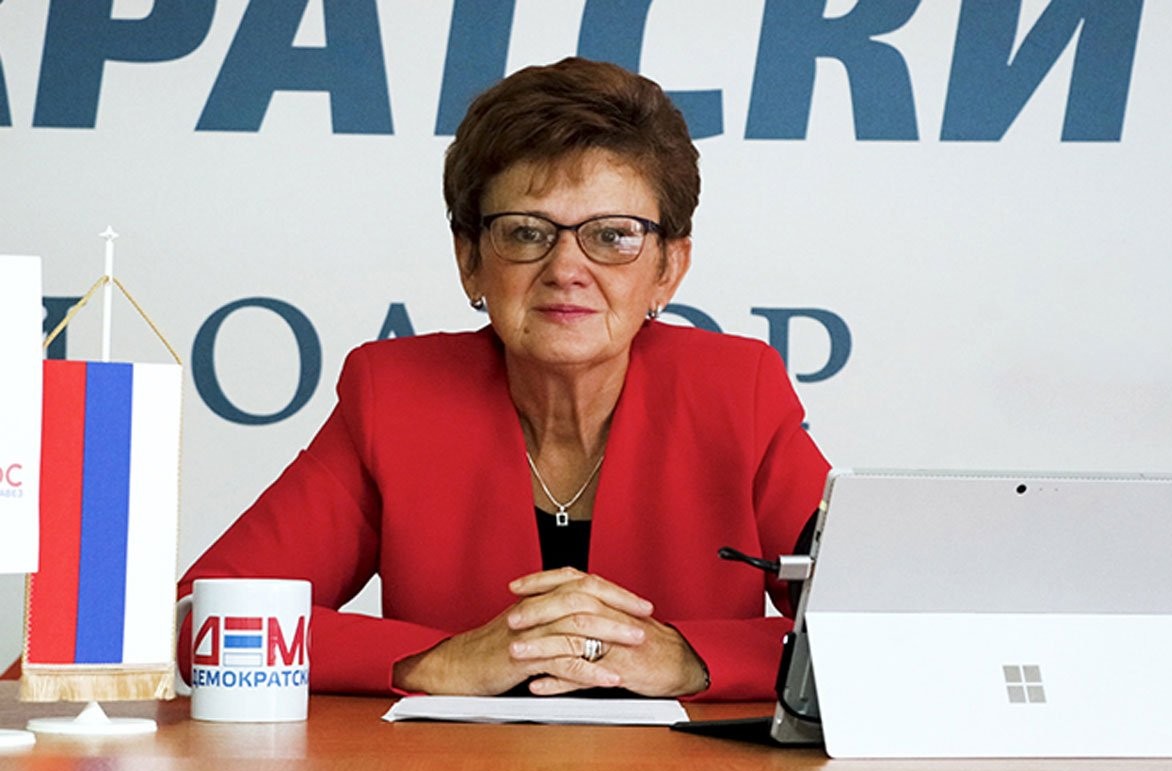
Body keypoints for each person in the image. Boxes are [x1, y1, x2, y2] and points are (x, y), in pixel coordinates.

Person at [178, 57, 830, 701]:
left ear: (668, 268)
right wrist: (436, 662)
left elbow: (867, 623)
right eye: (525, 232)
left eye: (613, 236)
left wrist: (688, 658)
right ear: (469, 261)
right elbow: (203, 622)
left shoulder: (736, 393)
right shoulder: (394, 397)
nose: (566, 269)